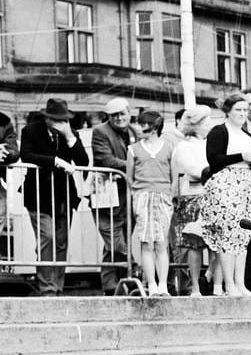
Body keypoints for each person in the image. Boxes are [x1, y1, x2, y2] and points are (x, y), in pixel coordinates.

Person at [19, 98, 89, 295]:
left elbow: (83, 161)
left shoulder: (71, 134)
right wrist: (55, 161)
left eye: (64, 120)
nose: (61, 124)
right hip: (38, 196)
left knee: (61, 242)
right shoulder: (31, 130)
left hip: (64, 197)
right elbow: (26, 155)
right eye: (57, 120)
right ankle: (47, 288)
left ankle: (57, 287)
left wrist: (70, 138)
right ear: (47, 118)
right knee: (47, 237)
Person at [202, 92, 251, 297]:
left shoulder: (247, 135)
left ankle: (240, 283)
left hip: (246, 185)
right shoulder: (219, 131)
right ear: (228, 111)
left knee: (243, 235)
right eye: (238, 110)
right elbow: (213, 159)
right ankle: (229, 285)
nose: (243, 113)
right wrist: (240, 156)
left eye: (245, 110)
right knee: (228, 234)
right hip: (226, 184)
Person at [90, 97, 137, 295]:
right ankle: (133, 274)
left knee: (115, 242)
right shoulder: (100, 131)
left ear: (129, 113)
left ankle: (110, 285)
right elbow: (105, 159)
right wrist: (136, 166)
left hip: (128, 197)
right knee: (116, 241)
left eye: (121, 114)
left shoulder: (135, 131)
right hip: (106, 196)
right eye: (114, 115)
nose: (118, 118)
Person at [127, 109, 175, 296]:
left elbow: (174, 177)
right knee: (146, 243)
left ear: (154, 127)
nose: (139, 128)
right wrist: (137, 195)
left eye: (143, 124)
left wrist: (170, 196)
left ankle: (163, 285)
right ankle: (152, 285)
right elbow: (130, 177)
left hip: (163, 196)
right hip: (143, 196)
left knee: (161, 243)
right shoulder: (134, 149)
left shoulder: (169, 148)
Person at [171, 106, 213, 297]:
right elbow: (194, 169)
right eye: (206, 122)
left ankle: (211, 280)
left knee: (215, 243)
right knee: (193, 244)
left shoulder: (210, 144)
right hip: (191, 198)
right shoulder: (184, 146)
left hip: (211, 195)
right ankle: (194, 286)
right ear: (196, 125)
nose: (210, 125)